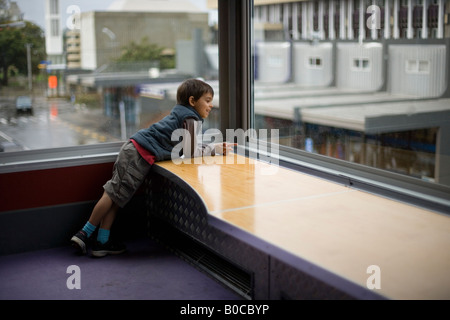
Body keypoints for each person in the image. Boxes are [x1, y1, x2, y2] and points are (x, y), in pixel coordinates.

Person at [70, 78, 235, 257]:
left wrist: (213, 148)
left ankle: (102, 242)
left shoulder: (181, 113)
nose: (211, 106)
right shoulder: (191, 118)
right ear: (192, 101)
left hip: (134, 151)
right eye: (208, 100)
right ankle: (84, 233)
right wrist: (214, 149)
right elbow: (190, 152)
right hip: (138, 154)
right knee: (111, 194)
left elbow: (189, 146)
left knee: (116, 198)